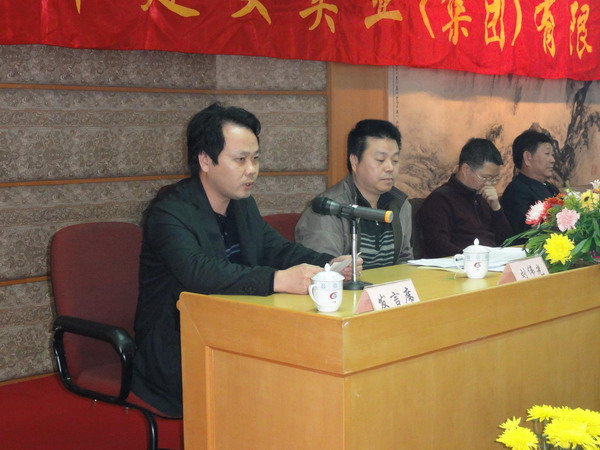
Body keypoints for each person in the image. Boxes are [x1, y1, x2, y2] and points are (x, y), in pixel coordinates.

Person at [131, 103, 359, 416]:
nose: (251, 169)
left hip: (236, 334)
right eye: (240, 159)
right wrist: (277, 279)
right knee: (284, 382)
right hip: (179, 348)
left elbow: (277, 249)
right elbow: (199, 272)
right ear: (205, 160)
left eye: (256, 158)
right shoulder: (169, 212)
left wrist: (330, 265)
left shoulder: (241, 204)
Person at [295, 119, 413, 269]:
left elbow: (404, 260)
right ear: (355, 162)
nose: (390, 167)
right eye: (380, 160)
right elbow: (323, 270)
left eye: (395, 160)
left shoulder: (400, 204)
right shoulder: (327, 209)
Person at [418, 138, 513, 258]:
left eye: (493, 179)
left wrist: (496, 208)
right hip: (463, 263)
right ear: (465, 169)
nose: (489, 183)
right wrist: (473, 257)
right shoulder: (439, 201)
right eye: (485, 177)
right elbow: (438, 246)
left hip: (493, 260)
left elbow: (507, 241)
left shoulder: (483, 197)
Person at [501, 130, 560, 234]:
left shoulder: (550, 187)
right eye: (547, 154)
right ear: (527, 157)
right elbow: (526, 233)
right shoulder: (516, 192)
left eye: (552, 155)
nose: (552, 160)